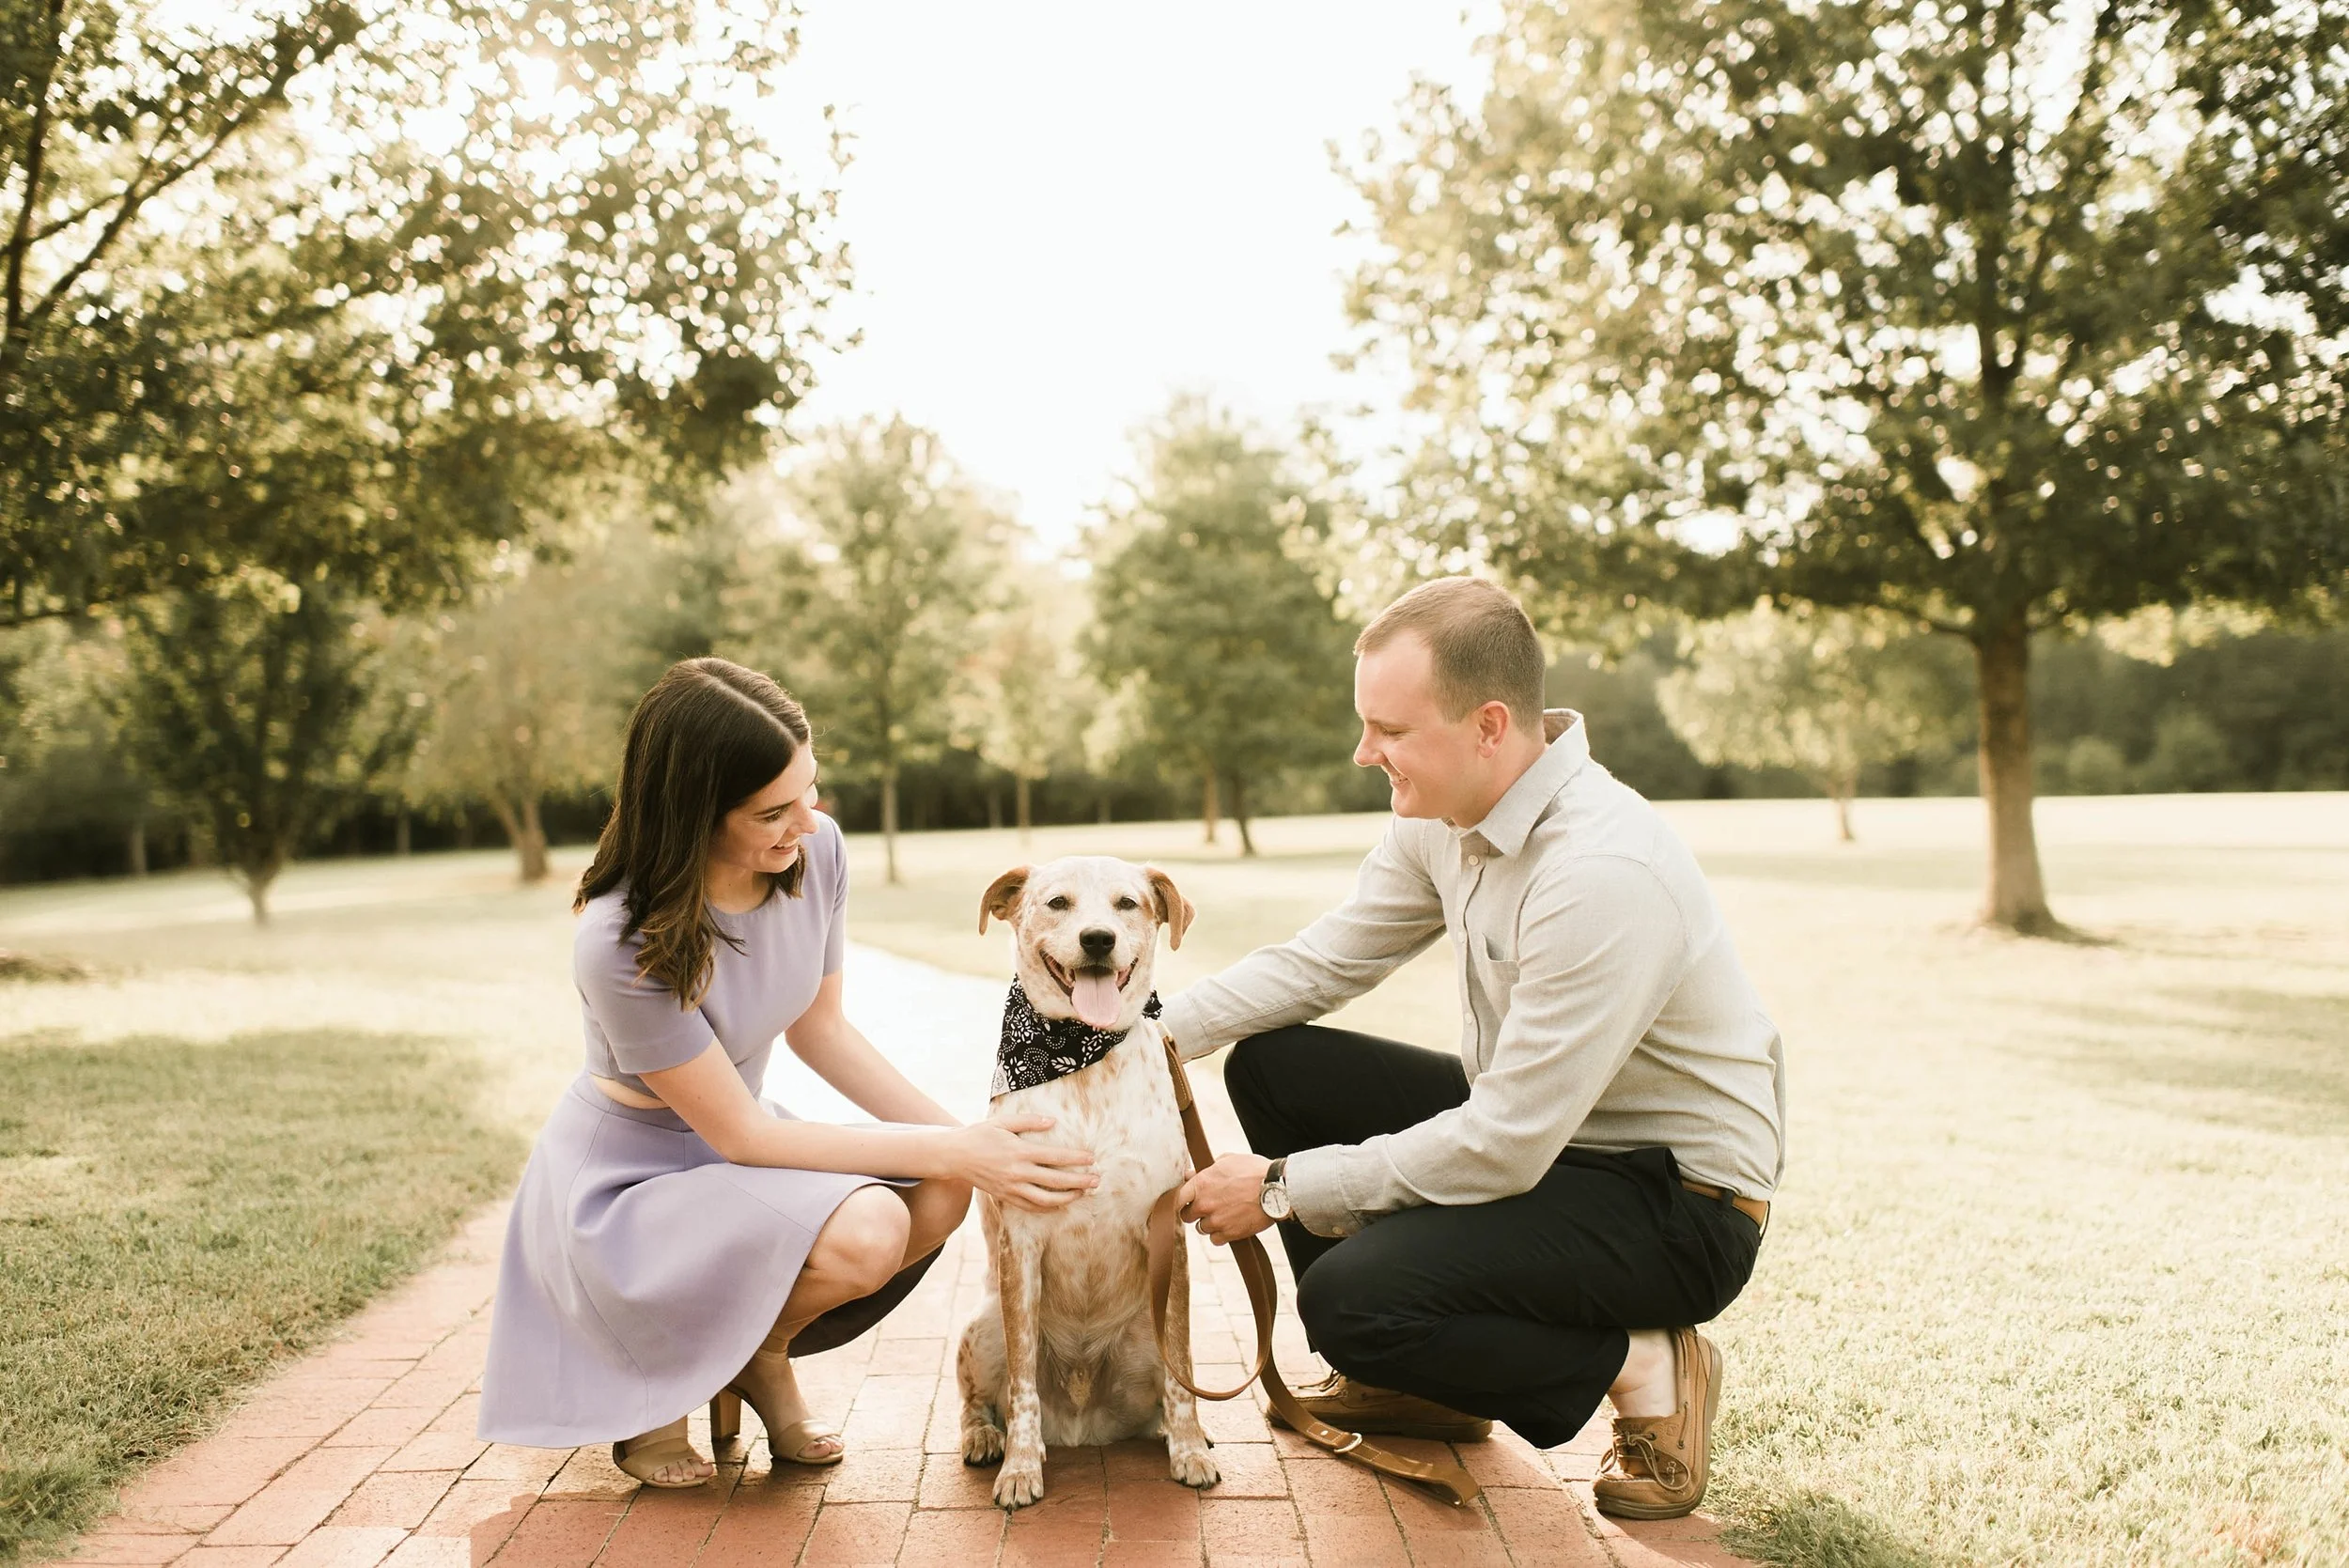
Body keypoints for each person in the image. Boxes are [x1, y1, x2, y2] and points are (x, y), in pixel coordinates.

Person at [1171, 578, 1785, 1520]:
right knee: (1275, 1066)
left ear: (1488, 724)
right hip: (1550, 1140)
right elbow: (1327, 957)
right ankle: (1421, 1387)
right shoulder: (1441, 817)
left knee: (1351, 1303)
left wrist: (1278, 1187)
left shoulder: (1598, 871)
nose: (1363, 751)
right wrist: (1146, 1034)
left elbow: (1503, 1142)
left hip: (1673, 1203)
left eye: (1389, 729)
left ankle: (1647, 1363)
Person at [478, 658, 1098, 1486]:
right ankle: (664, 1387)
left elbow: (822, 1032)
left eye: (810, 788)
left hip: (741, 1145)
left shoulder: (815, 850)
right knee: (878, 1221)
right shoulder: (618, 937)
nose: (806, 820)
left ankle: (755, 1351)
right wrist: (964, 1148)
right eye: (774, 809)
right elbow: (740, 1132)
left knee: (942, 1186)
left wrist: (970, 1143)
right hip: (630, 1182)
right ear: (695, 813)